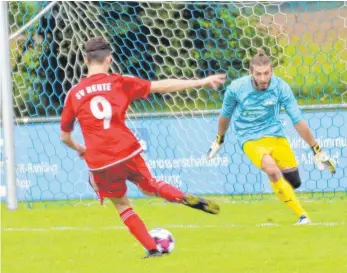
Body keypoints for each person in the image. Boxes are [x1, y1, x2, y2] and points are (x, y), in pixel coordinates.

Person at [60, 36, 225, 258]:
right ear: (109, 58)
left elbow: (65, 137)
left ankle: (152, 249)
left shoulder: (74, 94)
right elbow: (162, 86)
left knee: (122, 205)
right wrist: (201, 82)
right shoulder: (119, 82)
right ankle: (182, 197)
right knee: (151, 185)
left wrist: (81, 148)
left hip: (99, 161)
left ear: (84, 59)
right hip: (126, 150)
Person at [207, 48, 336, 225]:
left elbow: (297, 120)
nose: (263, 78)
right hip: (249, 137)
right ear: (250, 72)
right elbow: (225, 116)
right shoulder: (236, 88)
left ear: (272, 71)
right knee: (272, 170)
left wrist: (317, 150)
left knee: (294, 182)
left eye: (266, 73)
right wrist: (219, 139)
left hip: (275, 134)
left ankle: (285, 192)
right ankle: (303, 216)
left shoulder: (281, 87)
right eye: (258, 74)